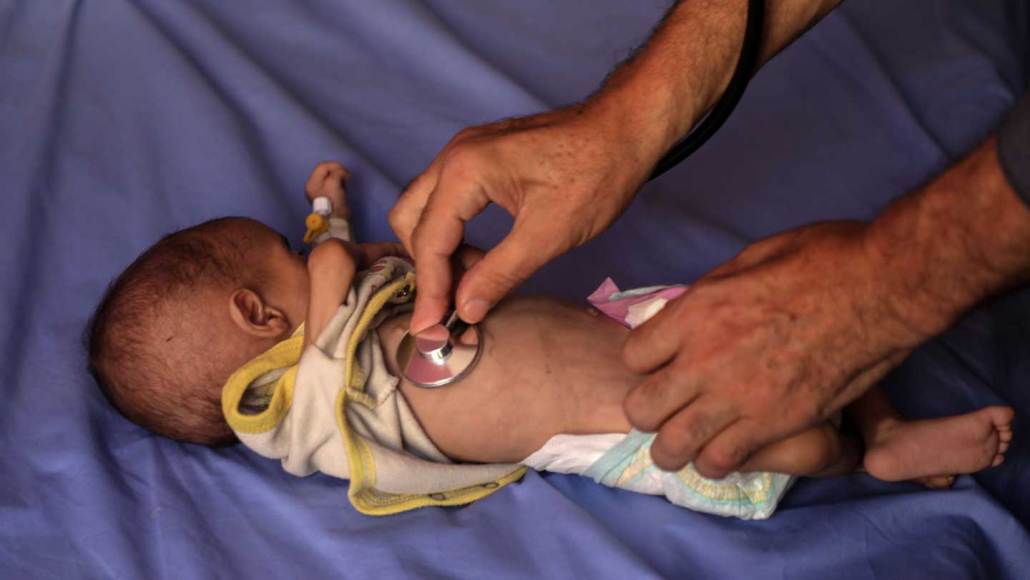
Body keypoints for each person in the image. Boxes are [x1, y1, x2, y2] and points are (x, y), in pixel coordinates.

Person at [87, 161, 1012, 519]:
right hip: (618, 423)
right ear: (257, 317)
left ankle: (885, 425)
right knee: (800, 438)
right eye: (288, 257)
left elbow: (370, 282)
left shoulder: (344, 337)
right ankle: (862, 457)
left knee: (784, 298)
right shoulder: (296, 408)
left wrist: (388, 256)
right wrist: (324, 219)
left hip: (617, 325)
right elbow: (334, 278)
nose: (322, 257)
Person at [388, 0, 1030, 478]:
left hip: (635, 326)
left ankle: (886, 433)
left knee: (803, 325)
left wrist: (878, 291)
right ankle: (868, 449)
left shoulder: (346, 295)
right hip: (637, 416)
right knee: (794, 420)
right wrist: (632, 116)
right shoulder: (317, 399)